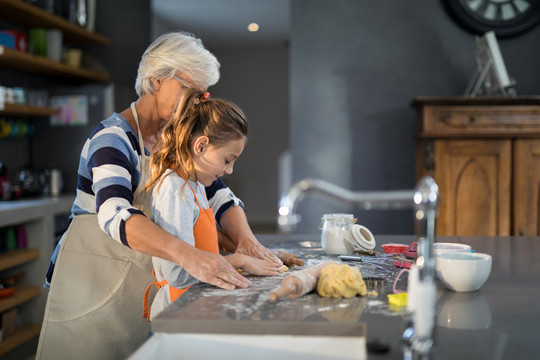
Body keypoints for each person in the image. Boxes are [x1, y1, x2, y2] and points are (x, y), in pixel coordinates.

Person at [36, 32, 281, 360]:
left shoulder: (174, 138)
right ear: (156, 80)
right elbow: (114, 213)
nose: (199, 103)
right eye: (192, 92)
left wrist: (247, 243)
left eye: (203, 95)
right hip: (91, 284)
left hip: (141, 284)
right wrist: (191, 256)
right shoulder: (113, 139)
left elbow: (220, 196)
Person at [143, 89, 282, 321]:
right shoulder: (173, 189)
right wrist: (241, 261)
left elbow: (204, 248)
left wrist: (259, 257)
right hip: (178, 311)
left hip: (199, 305)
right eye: (227, 160)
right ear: (201, 146)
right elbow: (178, 274)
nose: (229, 171)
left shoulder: (195, 184)